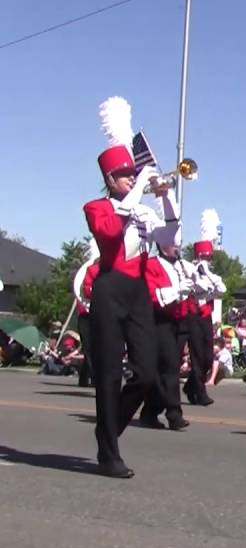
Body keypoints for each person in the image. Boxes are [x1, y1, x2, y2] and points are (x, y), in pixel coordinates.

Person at [82, 96, 163, 478]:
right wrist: (136, 194)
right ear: (110, 180)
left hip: (138, 294)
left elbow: (170, 238)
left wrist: (166, 200)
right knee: (110, 373)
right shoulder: (97, 208)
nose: (134, 179)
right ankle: (109, 453)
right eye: (127, 175)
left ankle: (107, 431)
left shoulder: (141, 208)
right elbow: (110, 237)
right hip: (109, 289)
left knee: (147, 373)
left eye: (135, 174)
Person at [138, 192, 192, 431]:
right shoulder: (151, 264)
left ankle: (150, 411)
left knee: (166, 368)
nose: (177, 246)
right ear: (161, 243)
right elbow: (153, 296)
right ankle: (174, 413)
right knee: (169, 367)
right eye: (173, 242)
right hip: (158, 320)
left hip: (178, 321)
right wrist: (179, 290)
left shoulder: (181, 266)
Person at [184, 210, 225, 407]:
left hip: (205, 318)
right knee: (197, 355)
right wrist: (197, 272)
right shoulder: (188, 271)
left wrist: (207, 272)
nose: (207, 261)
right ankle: (200, 392)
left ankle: (191, 386)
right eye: (204, 258)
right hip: (191, 317)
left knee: (208, 357)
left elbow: (221, 290)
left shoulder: (212, 276)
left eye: (209, 258)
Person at [72, 240, 100, 388]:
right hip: (86, 315)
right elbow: (86, 292)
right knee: (89, 347)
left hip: (98, 314)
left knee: (94, 347)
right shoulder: (90, 271)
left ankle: (84, 378)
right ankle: (95, 378)